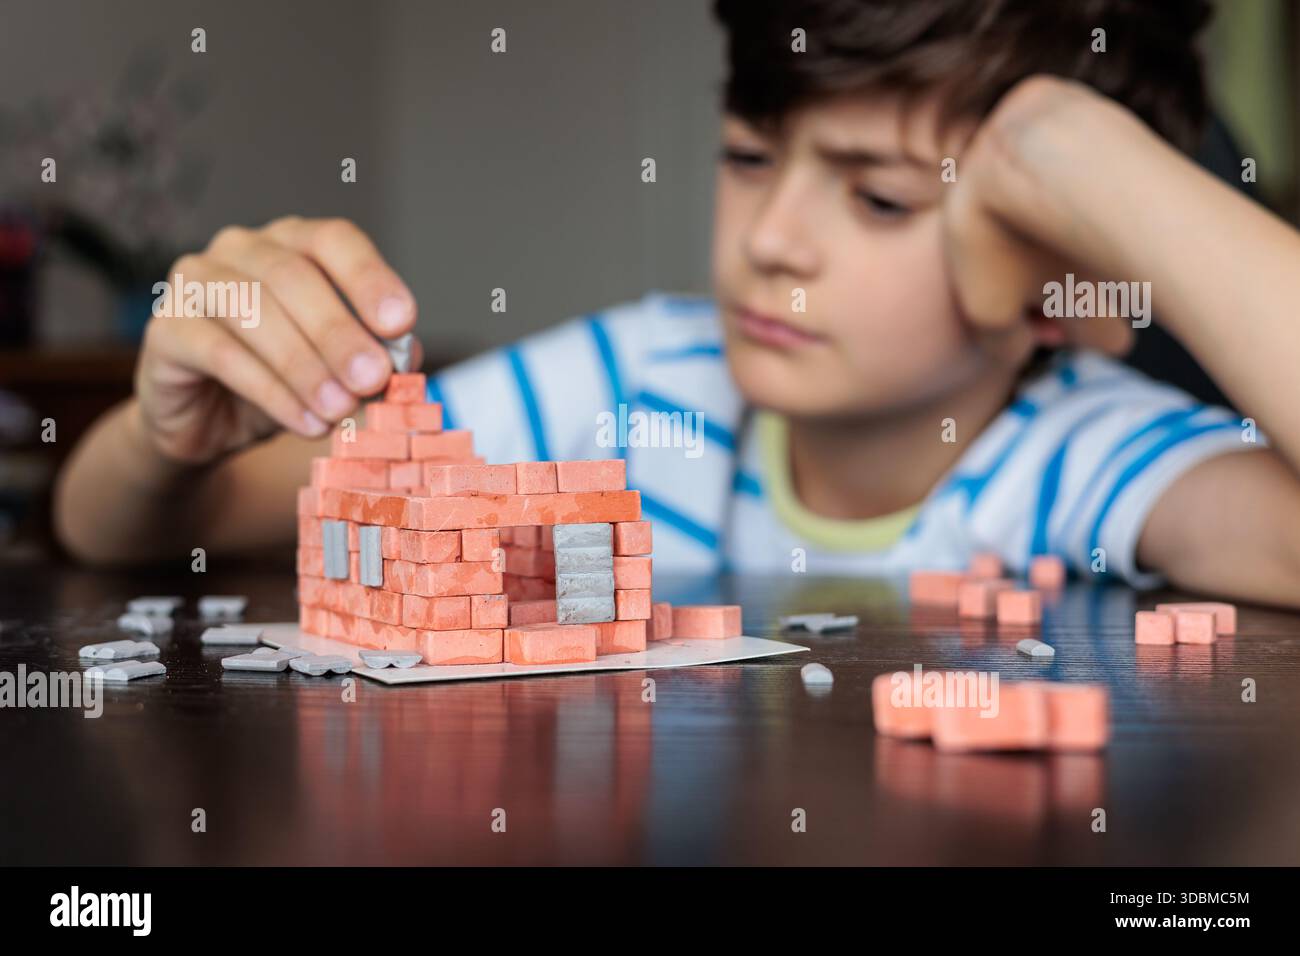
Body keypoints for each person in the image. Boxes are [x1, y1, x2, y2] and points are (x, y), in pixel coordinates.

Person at [55, 0, 1300, 606]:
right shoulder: (634, 382)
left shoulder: (1088, 454)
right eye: (749, 158)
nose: (771, 240)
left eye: (877, 200)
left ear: (1048, 270)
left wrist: (1074, 158)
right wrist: (167, 443)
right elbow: (134, 526)